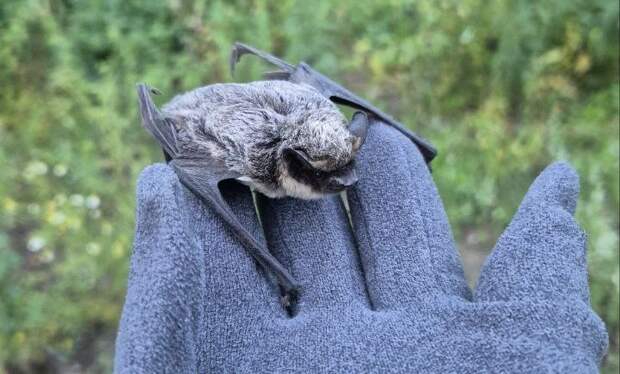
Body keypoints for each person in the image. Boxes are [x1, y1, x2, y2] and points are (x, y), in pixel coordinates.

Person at [114, 122, 608, 373]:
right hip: (222, 148)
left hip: (283, 131)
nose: (346, 184)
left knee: (382, 145)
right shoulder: (247, 168)